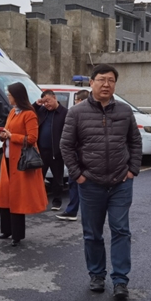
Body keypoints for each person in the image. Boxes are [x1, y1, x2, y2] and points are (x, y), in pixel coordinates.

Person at [60, 64, 142, 300]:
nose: (106, 84)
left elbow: (135, 142)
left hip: (120, 182)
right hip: (91, 183)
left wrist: (132, 170)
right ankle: (96, 275)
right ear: (91, 82)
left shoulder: (125, 111)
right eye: (102, 80)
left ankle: (120, 280)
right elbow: (66, 146)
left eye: (111, 80)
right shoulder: (76, 113)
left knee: (121, 230)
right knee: (92, 233)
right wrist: (78, 175)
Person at [0, 83, 48, 246]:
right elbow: (8, 131)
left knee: (17, 197)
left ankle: (17, 235)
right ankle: (6, 229)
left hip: (20, 161)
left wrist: (12, 136)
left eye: (10, 95)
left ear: (17, 96)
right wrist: (3, 136)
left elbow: (32, 138)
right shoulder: (12, 112)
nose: (8, 97)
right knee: (5, 195)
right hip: (7, 159)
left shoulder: (29, 114)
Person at [57, 89, 89, 221]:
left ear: (79, 100)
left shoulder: (76, 114)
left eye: (76, 100)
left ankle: (72, 211)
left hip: (78, 154)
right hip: (88, 156)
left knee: (75, 182)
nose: (75, 102)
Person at [33, 89, 68, 211]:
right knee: (38, 178)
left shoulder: (64, 113)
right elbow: (29, 111)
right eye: (44, 102)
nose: (46, 104)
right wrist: (37, 104)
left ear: (54, 98)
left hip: (56, 152)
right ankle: (38, 201)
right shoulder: (42, 111)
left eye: (48, 101)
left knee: (58, 179)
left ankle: (57, 202)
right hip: (41, 151)